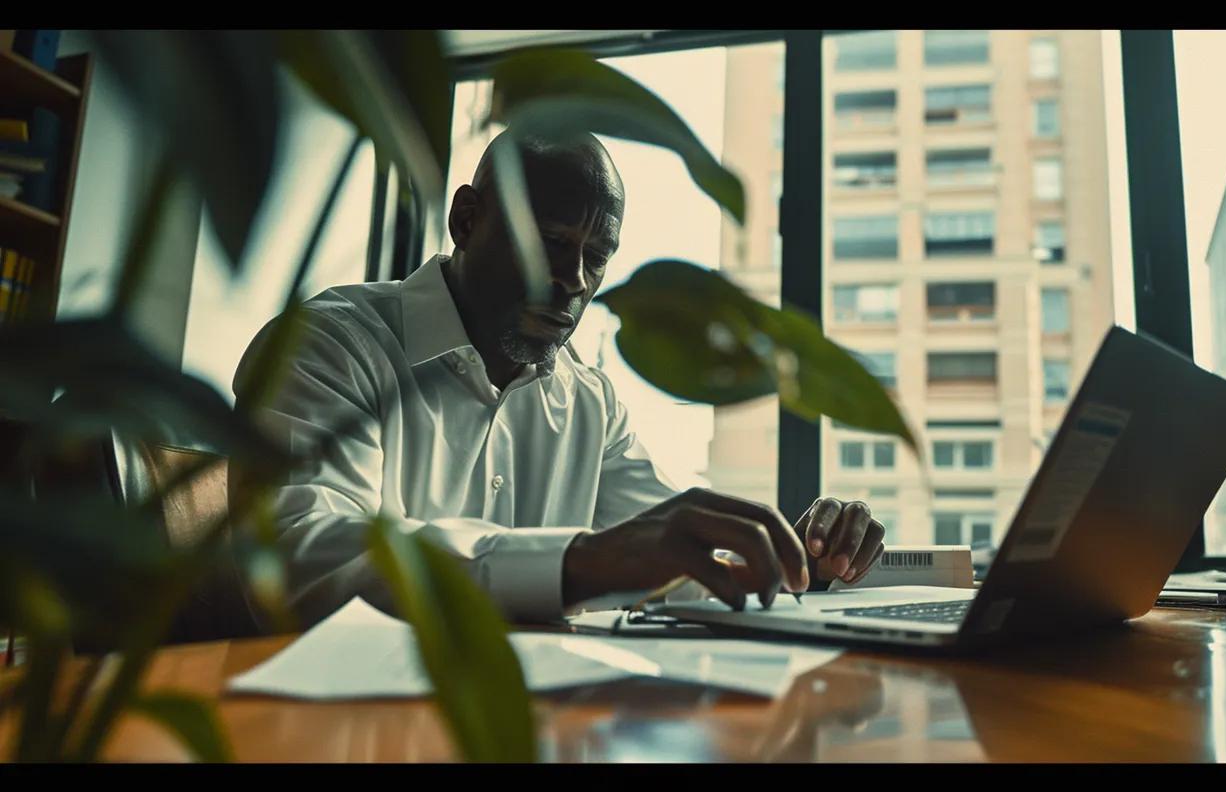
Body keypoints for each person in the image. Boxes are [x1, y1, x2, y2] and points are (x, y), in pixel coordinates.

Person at [234, 131, 886, 625]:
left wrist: (797, 561)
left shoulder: (589, 400)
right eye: (550, 241)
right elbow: (301, 558)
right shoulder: (328, 345)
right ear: (467, 221)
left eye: (596, 256)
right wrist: (577, 561)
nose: (575, 280)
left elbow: (668, 558)